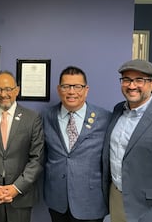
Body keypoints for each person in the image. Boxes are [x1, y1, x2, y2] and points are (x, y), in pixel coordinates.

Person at [0, 70, 44, 222]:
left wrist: (16, 188)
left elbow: (37, 159)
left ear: (17, 90)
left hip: (21, 195)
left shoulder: (32, 118)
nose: (3, 94)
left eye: (8, 89)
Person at [42, 66, 111, 222]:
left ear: (86, 90)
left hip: (91, 202)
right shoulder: (46, 117)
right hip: (57, 200)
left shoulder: (105, 118)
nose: (71, 92)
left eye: (77, 86)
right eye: (66, 86)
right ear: (59, 90)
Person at [102, 59, 152, 222]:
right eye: (126, 79)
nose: (131, 85)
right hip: (117, 198)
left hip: (150, 208)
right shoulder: (118, 109)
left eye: (139, 80)